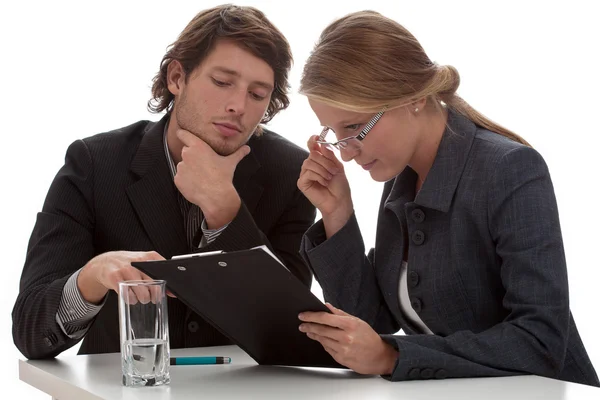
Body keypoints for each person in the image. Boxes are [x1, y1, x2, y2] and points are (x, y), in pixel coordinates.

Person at [295, 10, 599, 386]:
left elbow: (540, 341)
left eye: (355, 127)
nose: (345, 153)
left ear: (413, 98)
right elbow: (370, 327)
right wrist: (337, 213)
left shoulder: (511, 169)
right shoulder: (401, 178)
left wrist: (393, 356)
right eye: (334, 132)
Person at [12, 4, 315, 360]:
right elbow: (30, 331)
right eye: (222, 82)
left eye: (258, 94)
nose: (238, 105)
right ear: (176, 78)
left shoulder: (290, 171)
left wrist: (225, 210)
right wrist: (91, 277)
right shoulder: (94, 163)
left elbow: (291, 327)